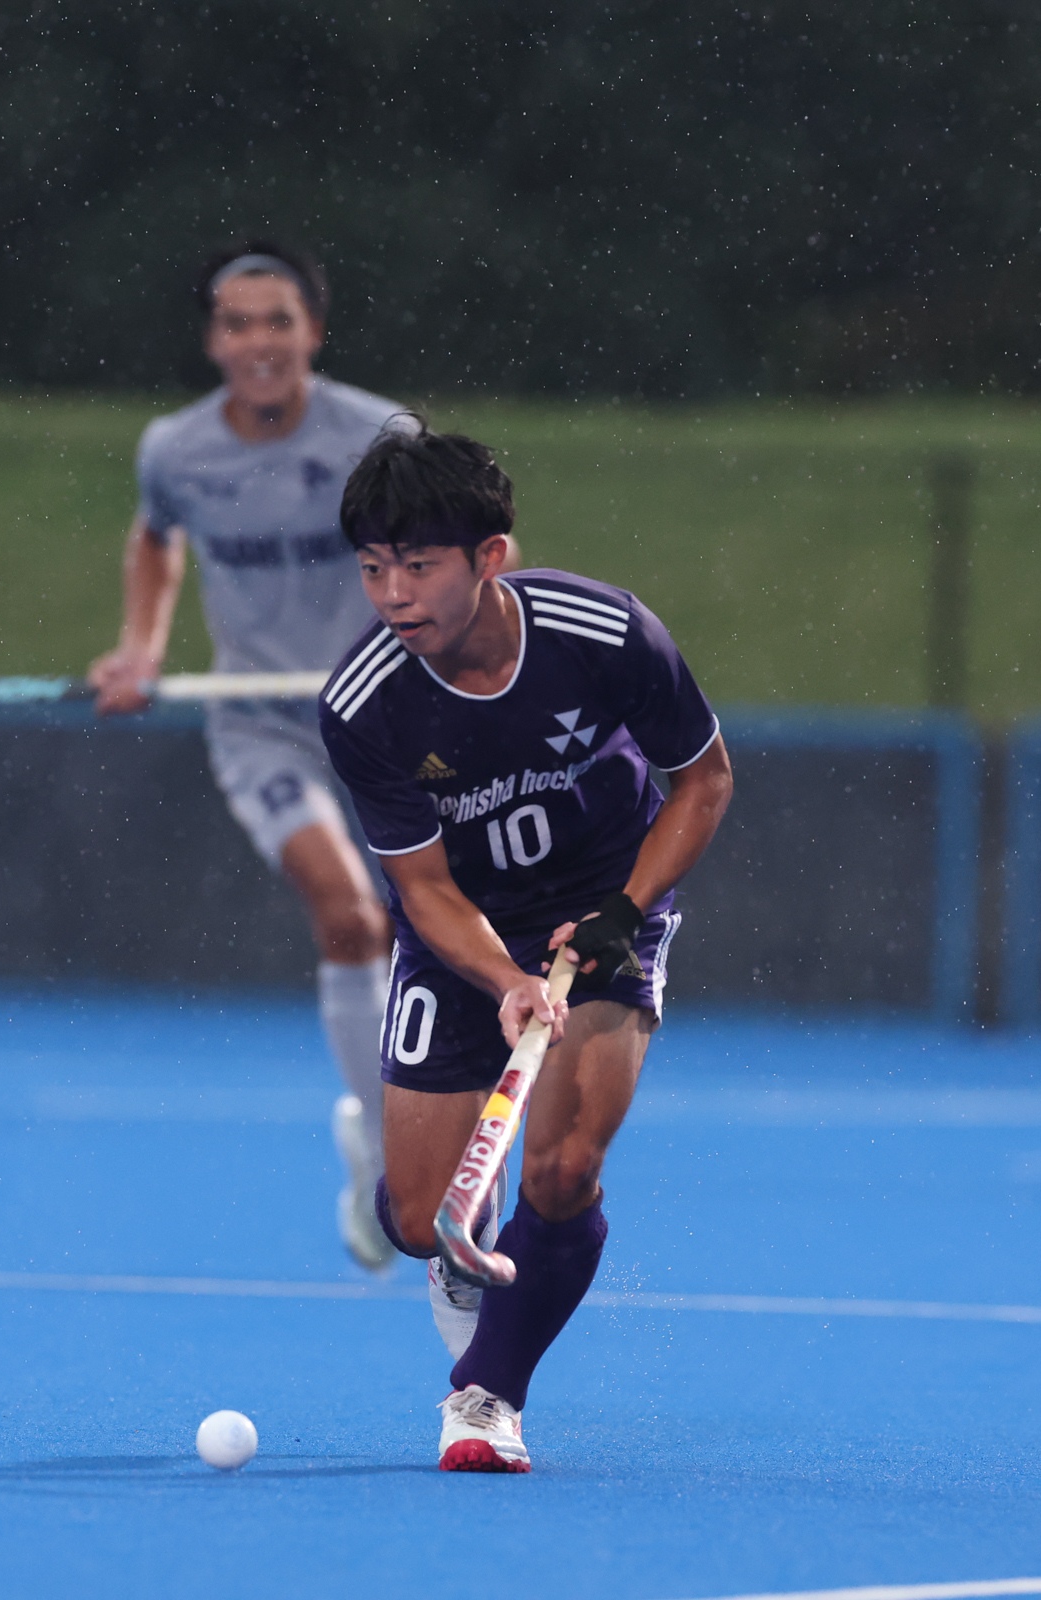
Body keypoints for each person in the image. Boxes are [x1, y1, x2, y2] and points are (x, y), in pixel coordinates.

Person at [320, 425, 733, 1472]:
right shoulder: (366, 706)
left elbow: (704, 780)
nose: (394, 595)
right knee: (425, 1217)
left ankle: (487, 1396)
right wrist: (505, 978)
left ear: (489, 557)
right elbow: (423, 886)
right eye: (373, 569)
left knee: (561, 1166)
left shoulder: (605, 634)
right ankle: (428, 1228)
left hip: (607, 906)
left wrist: (621, 914)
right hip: (461, 932)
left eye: (420, 566)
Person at [88, 241, 420, 1270]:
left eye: (279, 320)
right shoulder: (175, 450)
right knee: (349, 915)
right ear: (213, 340)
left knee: (442, 935)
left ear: (313, 331)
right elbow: (156, 539)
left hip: (391, 722)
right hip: (261, 728)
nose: (259, 341)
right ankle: (390, 1162)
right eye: (238, 323)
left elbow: (459, 554)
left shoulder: (381, 437)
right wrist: (139, 650)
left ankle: (403, 1123)